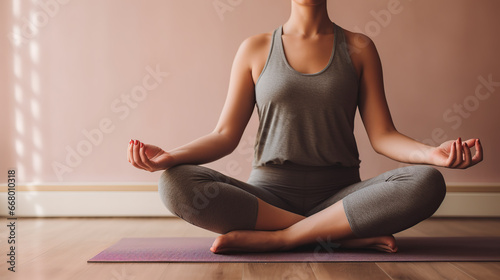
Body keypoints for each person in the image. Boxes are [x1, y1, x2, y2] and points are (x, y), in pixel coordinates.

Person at [127, 0, 483, 254]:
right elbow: (225, 136)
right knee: (174, 183)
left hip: (341, 197)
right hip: (267, 197)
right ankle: (334, 235)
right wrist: (170, 156)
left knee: (427, 181)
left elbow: (383, 135)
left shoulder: (360, 48)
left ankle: (282, 238)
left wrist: (431, 154)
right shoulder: (255, 48)